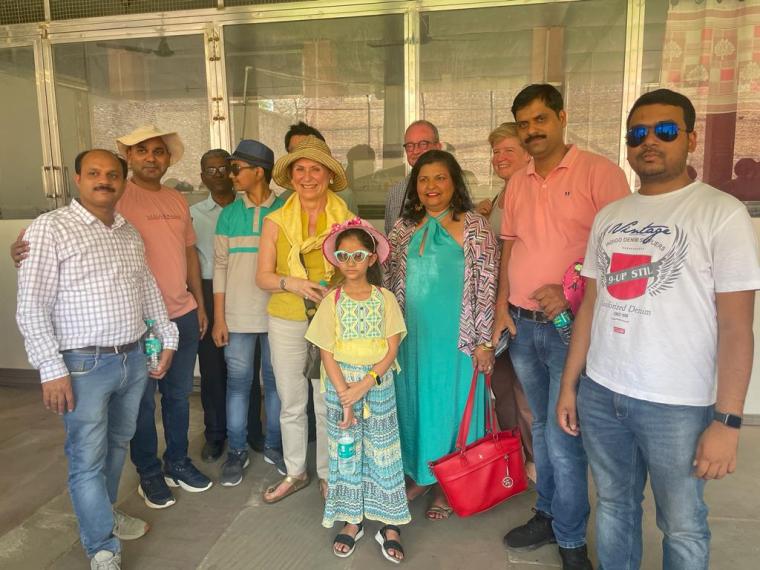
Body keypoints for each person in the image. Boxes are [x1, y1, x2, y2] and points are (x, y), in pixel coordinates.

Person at [557, 89, 760, 570]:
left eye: (665, 130)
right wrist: (570, 385)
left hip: (677, 405)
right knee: (614, 505)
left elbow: (737, 327)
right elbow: (591, 306)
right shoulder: (611, 216)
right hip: (602, 393)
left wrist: (728, 421)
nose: (650, 141)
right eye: (638, 133)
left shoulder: (720, 213)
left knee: (682, 523)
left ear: (691, 138)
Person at [16, 149, 179, 570]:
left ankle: (102, 515)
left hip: (131, 360)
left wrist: (167, 337)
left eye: (111, 174)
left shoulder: (127, 232)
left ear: (122, 181)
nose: (103, 180)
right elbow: (32, 305)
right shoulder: (51, 228)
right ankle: (102, 546)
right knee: (87, 458)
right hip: (82, 366)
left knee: (117, 445)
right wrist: (51, 368)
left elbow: (146, 290)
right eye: (93, 173)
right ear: (76, 178)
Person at [493, 84, 630, 569]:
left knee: (563, 431)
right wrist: (501, 306)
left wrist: (571, 287)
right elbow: (510, 246)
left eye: (540, 119)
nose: (532, 130)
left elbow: (621, 252)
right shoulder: (518, 182)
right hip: (522, 326)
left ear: (562, 117)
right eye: (524, 124)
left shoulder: (600, 173)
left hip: (570, 327)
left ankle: (571, 540)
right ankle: (549, 513)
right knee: (541, 425)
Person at [385, 149, 499, 520]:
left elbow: (488, 285)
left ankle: (448, 485)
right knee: (415, 405)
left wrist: (484, 342)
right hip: (411, 337)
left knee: (450, 408)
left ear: (454, 183)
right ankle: (421, 475)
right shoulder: (402, 228)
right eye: (423, 179)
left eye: (439, 178)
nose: (431, 186)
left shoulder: (474, 225)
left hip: (457, 340)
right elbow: (387, 279)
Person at [114, 125, 213, 507]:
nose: (151, 158)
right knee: (141, 401)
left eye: (158, 151)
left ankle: (177, 462)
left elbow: (189, 253)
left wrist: (198, 303)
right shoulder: (117, 197)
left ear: (168, 159)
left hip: (181, 313)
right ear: (129, 156)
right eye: (142, 150)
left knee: (178, 396)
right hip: (137, 321)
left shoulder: (176, 200)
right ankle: (149, 472)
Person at [305, 218, 410, 563]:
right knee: (346, 453)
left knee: (383, 452)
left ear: (372, 259)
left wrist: (365, 384)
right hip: (341, 386)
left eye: (358, 255)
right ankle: (352, 519)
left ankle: (390, 523)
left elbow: (391, 350)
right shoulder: (332, 301)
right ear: (336, 260)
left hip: (377, 385)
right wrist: (345, 394)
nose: (350, 262)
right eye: (343, 256)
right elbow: (326, 351)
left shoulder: (385, 299)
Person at [256, 135, 354, 503]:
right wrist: (292, 283)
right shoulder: (275, 221)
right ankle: (295, 471)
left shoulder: (346, 220)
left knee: (327, 400)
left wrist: (338, 289)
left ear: (328, 175)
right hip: (286, 319)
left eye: (316, 169)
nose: (308, 176)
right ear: (292, 176)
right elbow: (262, 277)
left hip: (332, 320)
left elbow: (357, 269)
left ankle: (328, 474)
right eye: (300, 169)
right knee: (291, 401)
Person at [212, 139, 286, 485]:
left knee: (276, 383)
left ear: (259, 172)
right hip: (237, 317)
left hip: (279, 314)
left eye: (236, 169)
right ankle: (237, 451)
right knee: (239, 385)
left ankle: (275, 445)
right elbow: (220, 268)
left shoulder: (286, 208)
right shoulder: (229, 214)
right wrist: (219, 318)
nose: (231, 176)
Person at [477, 122, 535, 481]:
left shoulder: (534, 193)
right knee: (502, 388)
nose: (499, 157)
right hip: (496, 306)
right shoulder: (503, 194)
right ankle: (514, 460)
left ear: (528, 154)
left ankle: (537, 464)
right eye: (496, 151)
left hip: (522, 307)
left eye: (508, 150)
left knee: (526, 391)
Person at [190, 149, 236, 463]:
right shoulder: (192, 214)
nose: (218, 175)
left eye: (224, 169)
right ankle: (216, 434)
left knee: (245, 366)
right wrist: (198, 302)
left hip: (242, 288)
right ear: (202, 176)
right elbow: (189, 260)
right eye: (211, 170)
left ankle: (249, 431)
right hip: (206, 289)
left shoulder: (248, 209)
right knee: (212, 368)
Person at [283, 121, 358, 214]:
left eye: (309, 150)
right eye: (295, 151)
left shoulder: (345, 198)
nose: (307, 177)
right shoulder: (284, 201)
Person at [384, 120, 443, 235]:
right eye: (410, 146)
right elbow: (390, 237)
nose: (416, 151)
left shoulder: (452, 186)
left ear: (438, 147)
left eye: (423, 144)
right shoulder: (395, 192)